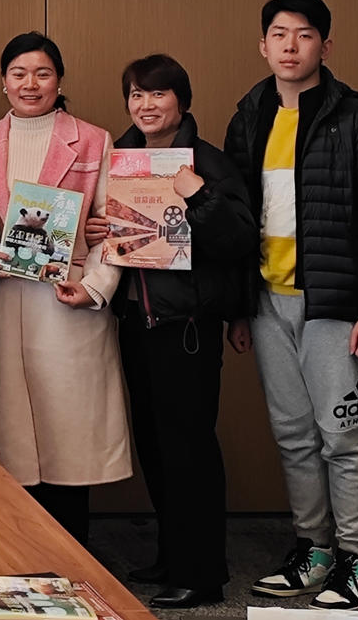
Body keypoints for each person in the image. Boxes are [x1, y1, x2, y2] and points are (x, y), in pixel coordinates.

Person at [223, 0, 358, 611]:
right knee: (294, 436)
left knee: (342, 438)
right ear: (263, 45)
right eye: (279, 34)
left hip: (334, 305)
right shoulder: (249, 117)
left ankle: (356, 561)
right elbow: (238, 220)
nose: (290, 46)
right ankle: (314, 548)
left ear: (325, 45)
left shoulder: (357, 120)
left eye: (304, 35)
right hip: (267, 302)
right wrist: (238, 307)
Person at [113, 55, 257, 611]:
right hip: (136, 320)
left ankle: (202, 572)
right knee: (154, 444)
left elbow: (240, 238)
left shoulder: (209, 162)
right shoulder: (121, 160)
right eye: (136, 94)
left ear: (182, 100)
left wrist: (198, 194)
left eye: (158, 94)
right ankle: (173, 556)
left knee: (189, 447)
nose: (146, 105)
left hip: (186, 325)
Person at [0, 32, 129, 544]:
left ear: (59, 81)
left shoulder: (94, 139)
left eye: (42, 73)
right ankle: (20, 552)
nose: (30, 83)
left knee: (69, 436)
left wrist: (98, 286)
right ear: (3, 81)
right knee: (10, 435)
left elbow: (116, 224)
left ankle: (74, 556)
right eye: (18, 73)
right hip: (3, 301)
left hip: (68, 303)